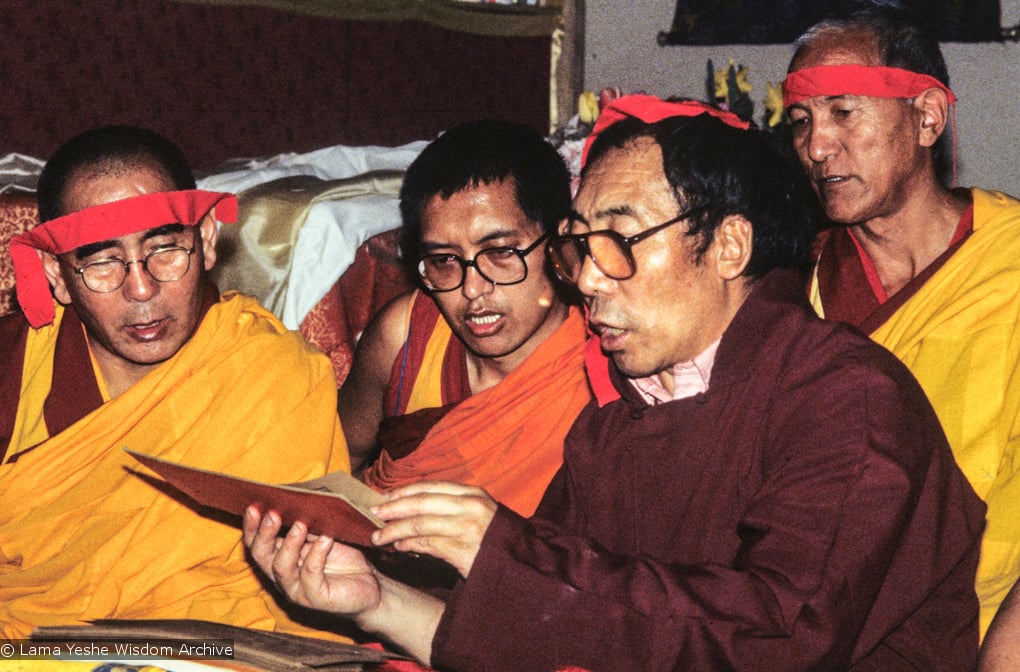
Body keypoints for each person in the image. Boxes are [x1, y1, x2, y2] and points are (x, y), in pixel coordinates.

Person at [243, 98, 986, 670]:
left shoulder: (844, 398)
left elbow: (775, 638)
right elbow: (556, 629)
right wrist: (378, 602)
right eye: (580, 246)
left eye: (619, 242)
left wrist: (507, 553)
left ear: (728, 244)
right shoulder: (615, 424)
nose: (589, 279)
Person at [0, 125, 348, 637]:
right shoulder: (14, 365)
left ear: (206, 240)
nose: (141, 290)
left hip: (212, 654)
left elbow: (302, 586)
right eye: (100, 262)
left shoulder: (271, 373)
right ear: (56, 275)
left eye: (165, 249)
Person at [783, 1, 1020, 638]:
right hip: (828, 632)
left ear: (927, 117)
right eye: (801, 120)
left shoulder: (1012, 263)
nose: (815, 145)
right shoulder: (792, 288)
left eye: (843, 112)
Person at [345, 120, 590, 517]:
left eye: (502, 252)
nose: (472, 289)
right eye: (443, 261)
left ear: (561, 242)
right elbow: (336, 469)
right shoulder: (405, 337)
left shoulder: (600, 360)